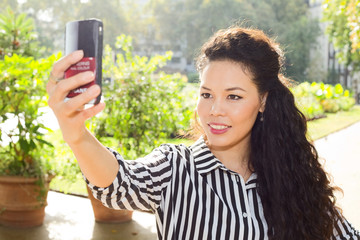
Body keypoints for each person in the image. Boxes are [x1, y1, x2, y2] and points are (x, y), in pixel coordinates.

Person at [47, 27, 360, 240]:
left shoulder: (293, 178)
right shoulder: (173, 168)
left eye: (233, 96)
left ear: (263, 101)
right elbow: (117, 183)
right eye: (206, 94)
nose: (215, 110)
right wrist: (76, 135)